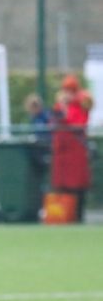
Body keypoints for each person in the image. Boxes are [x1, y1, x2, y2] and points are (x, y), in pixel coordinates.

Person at [50, 75, 92, 222]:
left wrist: (66, 109)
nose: (67, 94)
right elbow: (53, 122)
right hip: (61, 150)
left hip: (76, 150)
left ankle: (78, 216)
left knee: (77, 184)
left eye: (70, 91)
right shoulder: (60, 105)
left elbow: (78, 123)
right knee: (62, 185)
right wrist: (61, 107)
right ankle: (64, 216)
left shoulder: (81, 104)